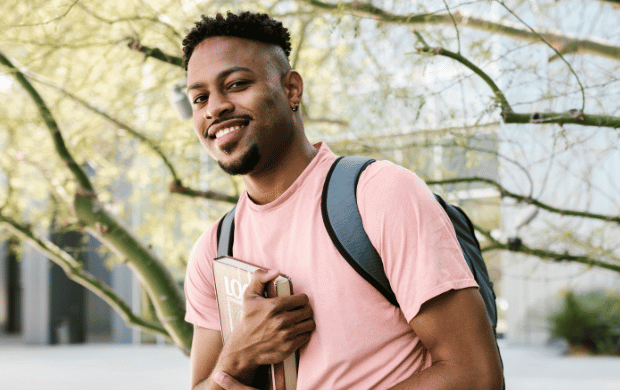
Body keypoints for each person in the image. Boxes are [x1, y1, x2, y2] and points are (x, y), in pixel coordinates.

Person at [181, 11, 503, 390]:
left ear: (291, 90)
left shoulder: (378, 195)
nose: (214, 107)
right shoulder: (213, 251)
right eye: (200, 97)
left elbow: (476, 375)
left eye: (236, 84)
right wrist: (237, 358)